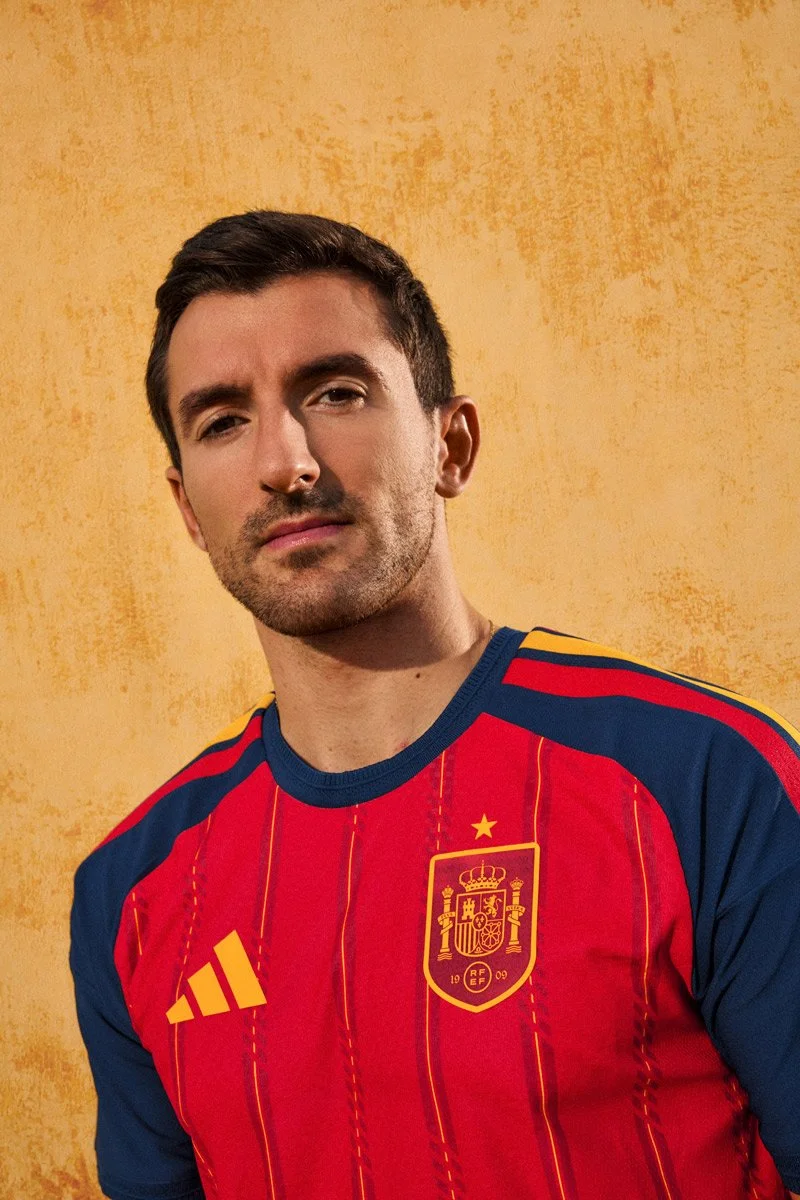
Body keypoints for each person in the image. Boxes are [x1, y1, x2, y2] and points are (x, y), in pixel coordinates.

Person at [70, 210, 800, 1200]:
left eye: (336, 392)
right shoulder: (133, 894)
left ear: (450, 444)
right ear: (188, 507)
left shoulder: (700, 780)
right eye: (223, 421)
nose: (286, 462)